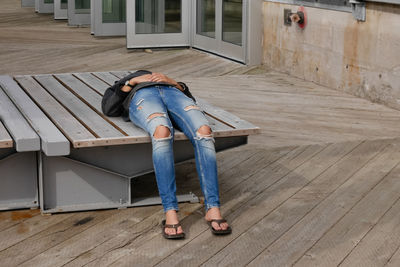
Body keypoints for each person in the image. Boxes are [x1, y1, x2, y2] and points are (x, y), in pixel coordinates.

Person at [101, 70, 231, 239]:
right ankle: (170, 211)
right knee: (161, 132)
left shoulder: (167, 81)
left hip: (173, 92)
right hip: (143, 96)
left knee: (204, 132)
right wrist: (132, 82)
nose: (149, 74)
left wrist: (173, 82)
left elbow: (190, 98)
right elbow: (109, 108)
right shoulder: (127, 82)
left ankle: (213, 208)